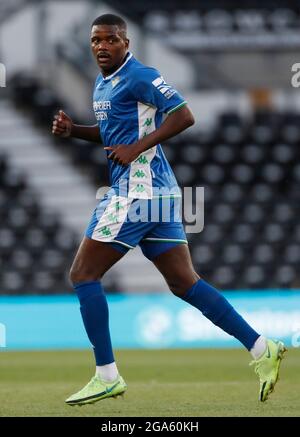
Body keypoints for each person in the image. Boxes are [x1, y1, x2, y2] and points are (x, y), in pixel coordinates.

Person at [52, 14, 286, 406]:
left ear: (127, 43)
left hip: (137, 192)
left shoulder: (142, 75)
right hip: (160, 195)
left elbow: (184, 115)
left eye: (111, 40)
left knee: (83, 273)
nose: (102, 47)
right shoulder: (102, 82)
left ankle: (106, 374)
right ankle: (263, 348)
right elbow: (113, 136)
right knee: (184, 283)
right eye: (95, 40)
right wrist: (75, 130)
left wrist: (137, 149)